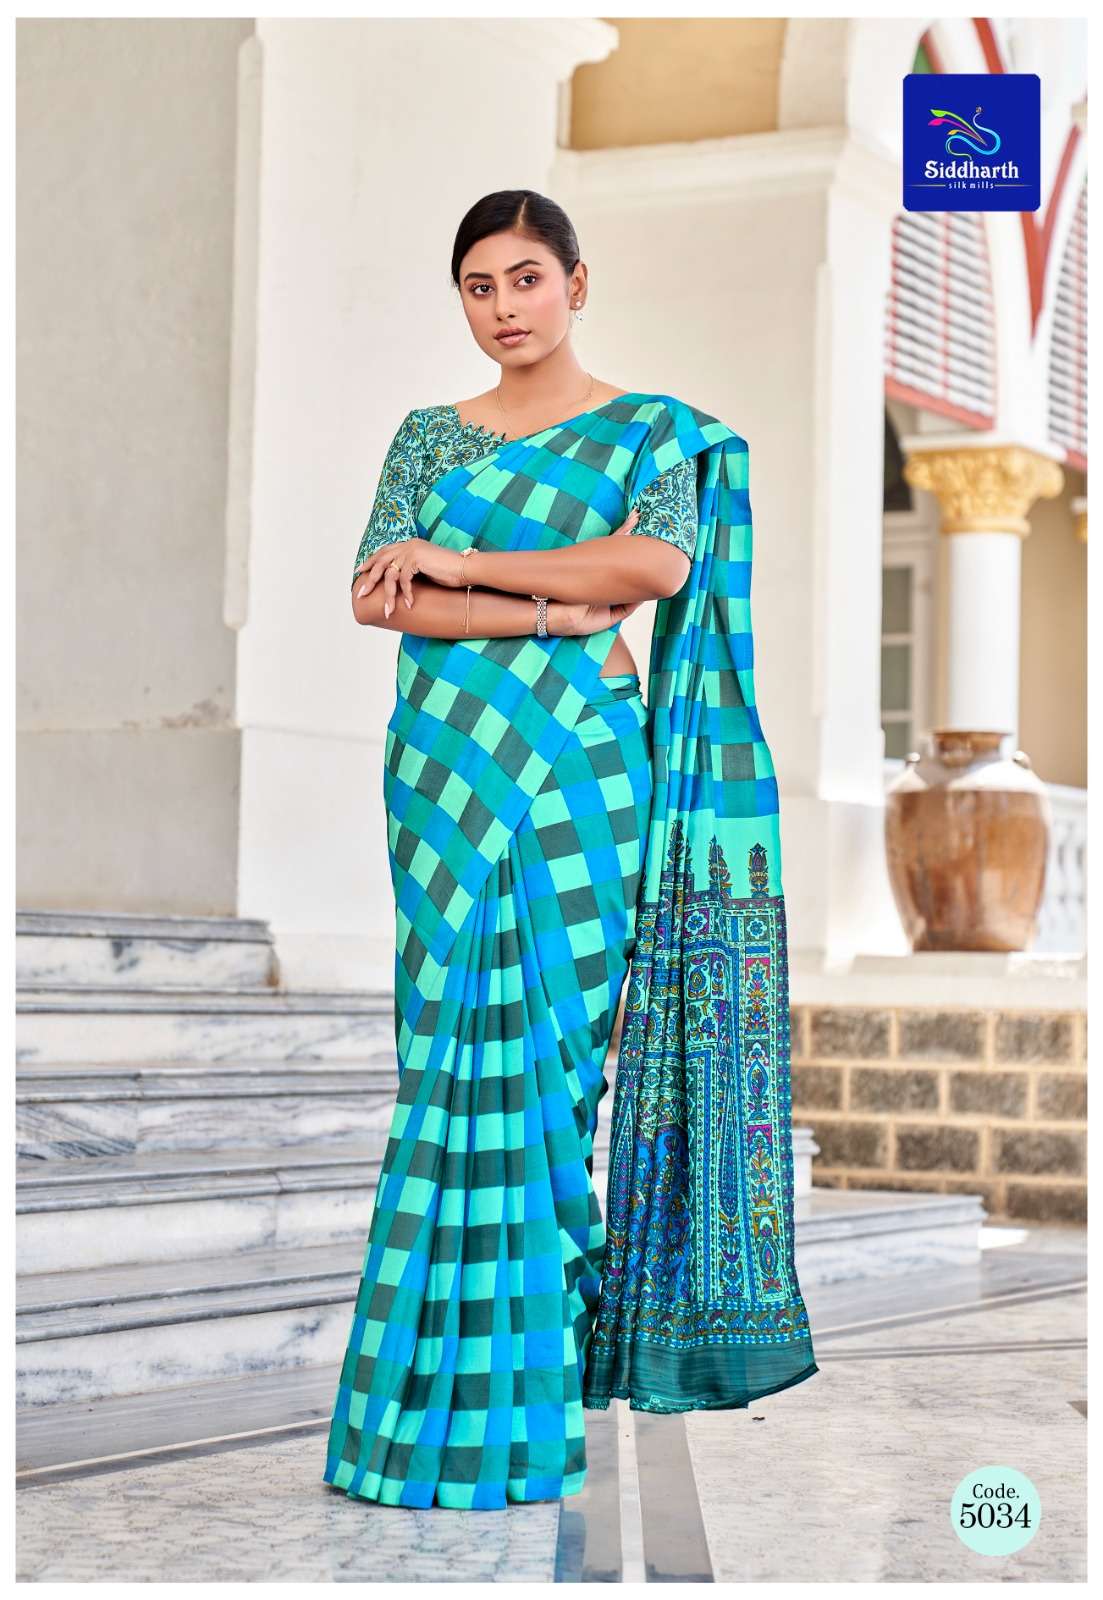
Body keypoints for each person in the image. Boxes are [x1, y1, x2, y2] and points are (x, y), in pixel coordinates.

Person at [323, 189, 818, 1512]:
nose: (504, 307)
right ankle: (416, 1416)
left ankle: (526, 1406)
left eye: (526, 278)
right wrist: (550, 604)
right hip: (444, 768)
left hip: (582, 770)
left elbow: (652, 569)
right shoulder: (428, 436)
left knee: (551, 1064)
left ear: (577, 285)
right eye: (478, 286)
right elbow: (377, 592)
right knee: (446, 1061)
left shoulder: (650, 430)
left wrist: (467, 573)